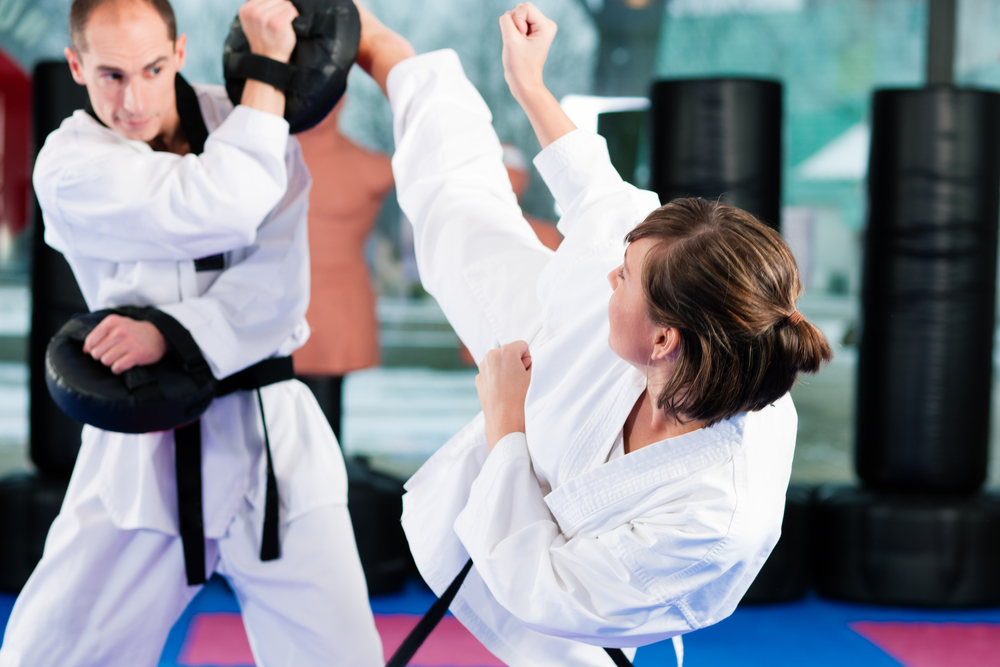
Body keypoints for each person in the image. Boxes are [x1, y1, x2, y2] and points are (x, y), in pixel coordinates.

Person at [355, 3, 830, 665]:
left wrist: (506, 423)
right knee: (459, 218)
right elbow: (600, 192)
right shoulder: (683, 295)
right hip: (579, 352)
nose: (614, 270)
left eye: (626, 276)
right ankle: (388, 52)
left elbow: (544, 587)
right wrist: (531, 86)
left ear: (663, 339)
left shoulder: (713, 516)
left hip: (583, 596)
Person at [0, 1, 383, 665]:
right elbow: (220, 203)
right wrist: (267, 69)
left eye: (151, 68)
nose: (135, 97)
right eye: (111, 76)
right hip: (144, 451)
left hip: (273, 444)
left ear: (179, 53)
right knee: (47, 653)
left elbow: (279, 289)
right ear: (76, 66)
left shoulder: (255, 129)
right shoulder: (67, 165)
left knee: (342, 657)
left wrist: (169, 333)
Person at [293, 97, 394, 442]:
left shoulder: (370, 167)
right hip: (282, 306)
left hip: (336, 312)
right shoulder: (267, 158)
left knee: (319, 424)